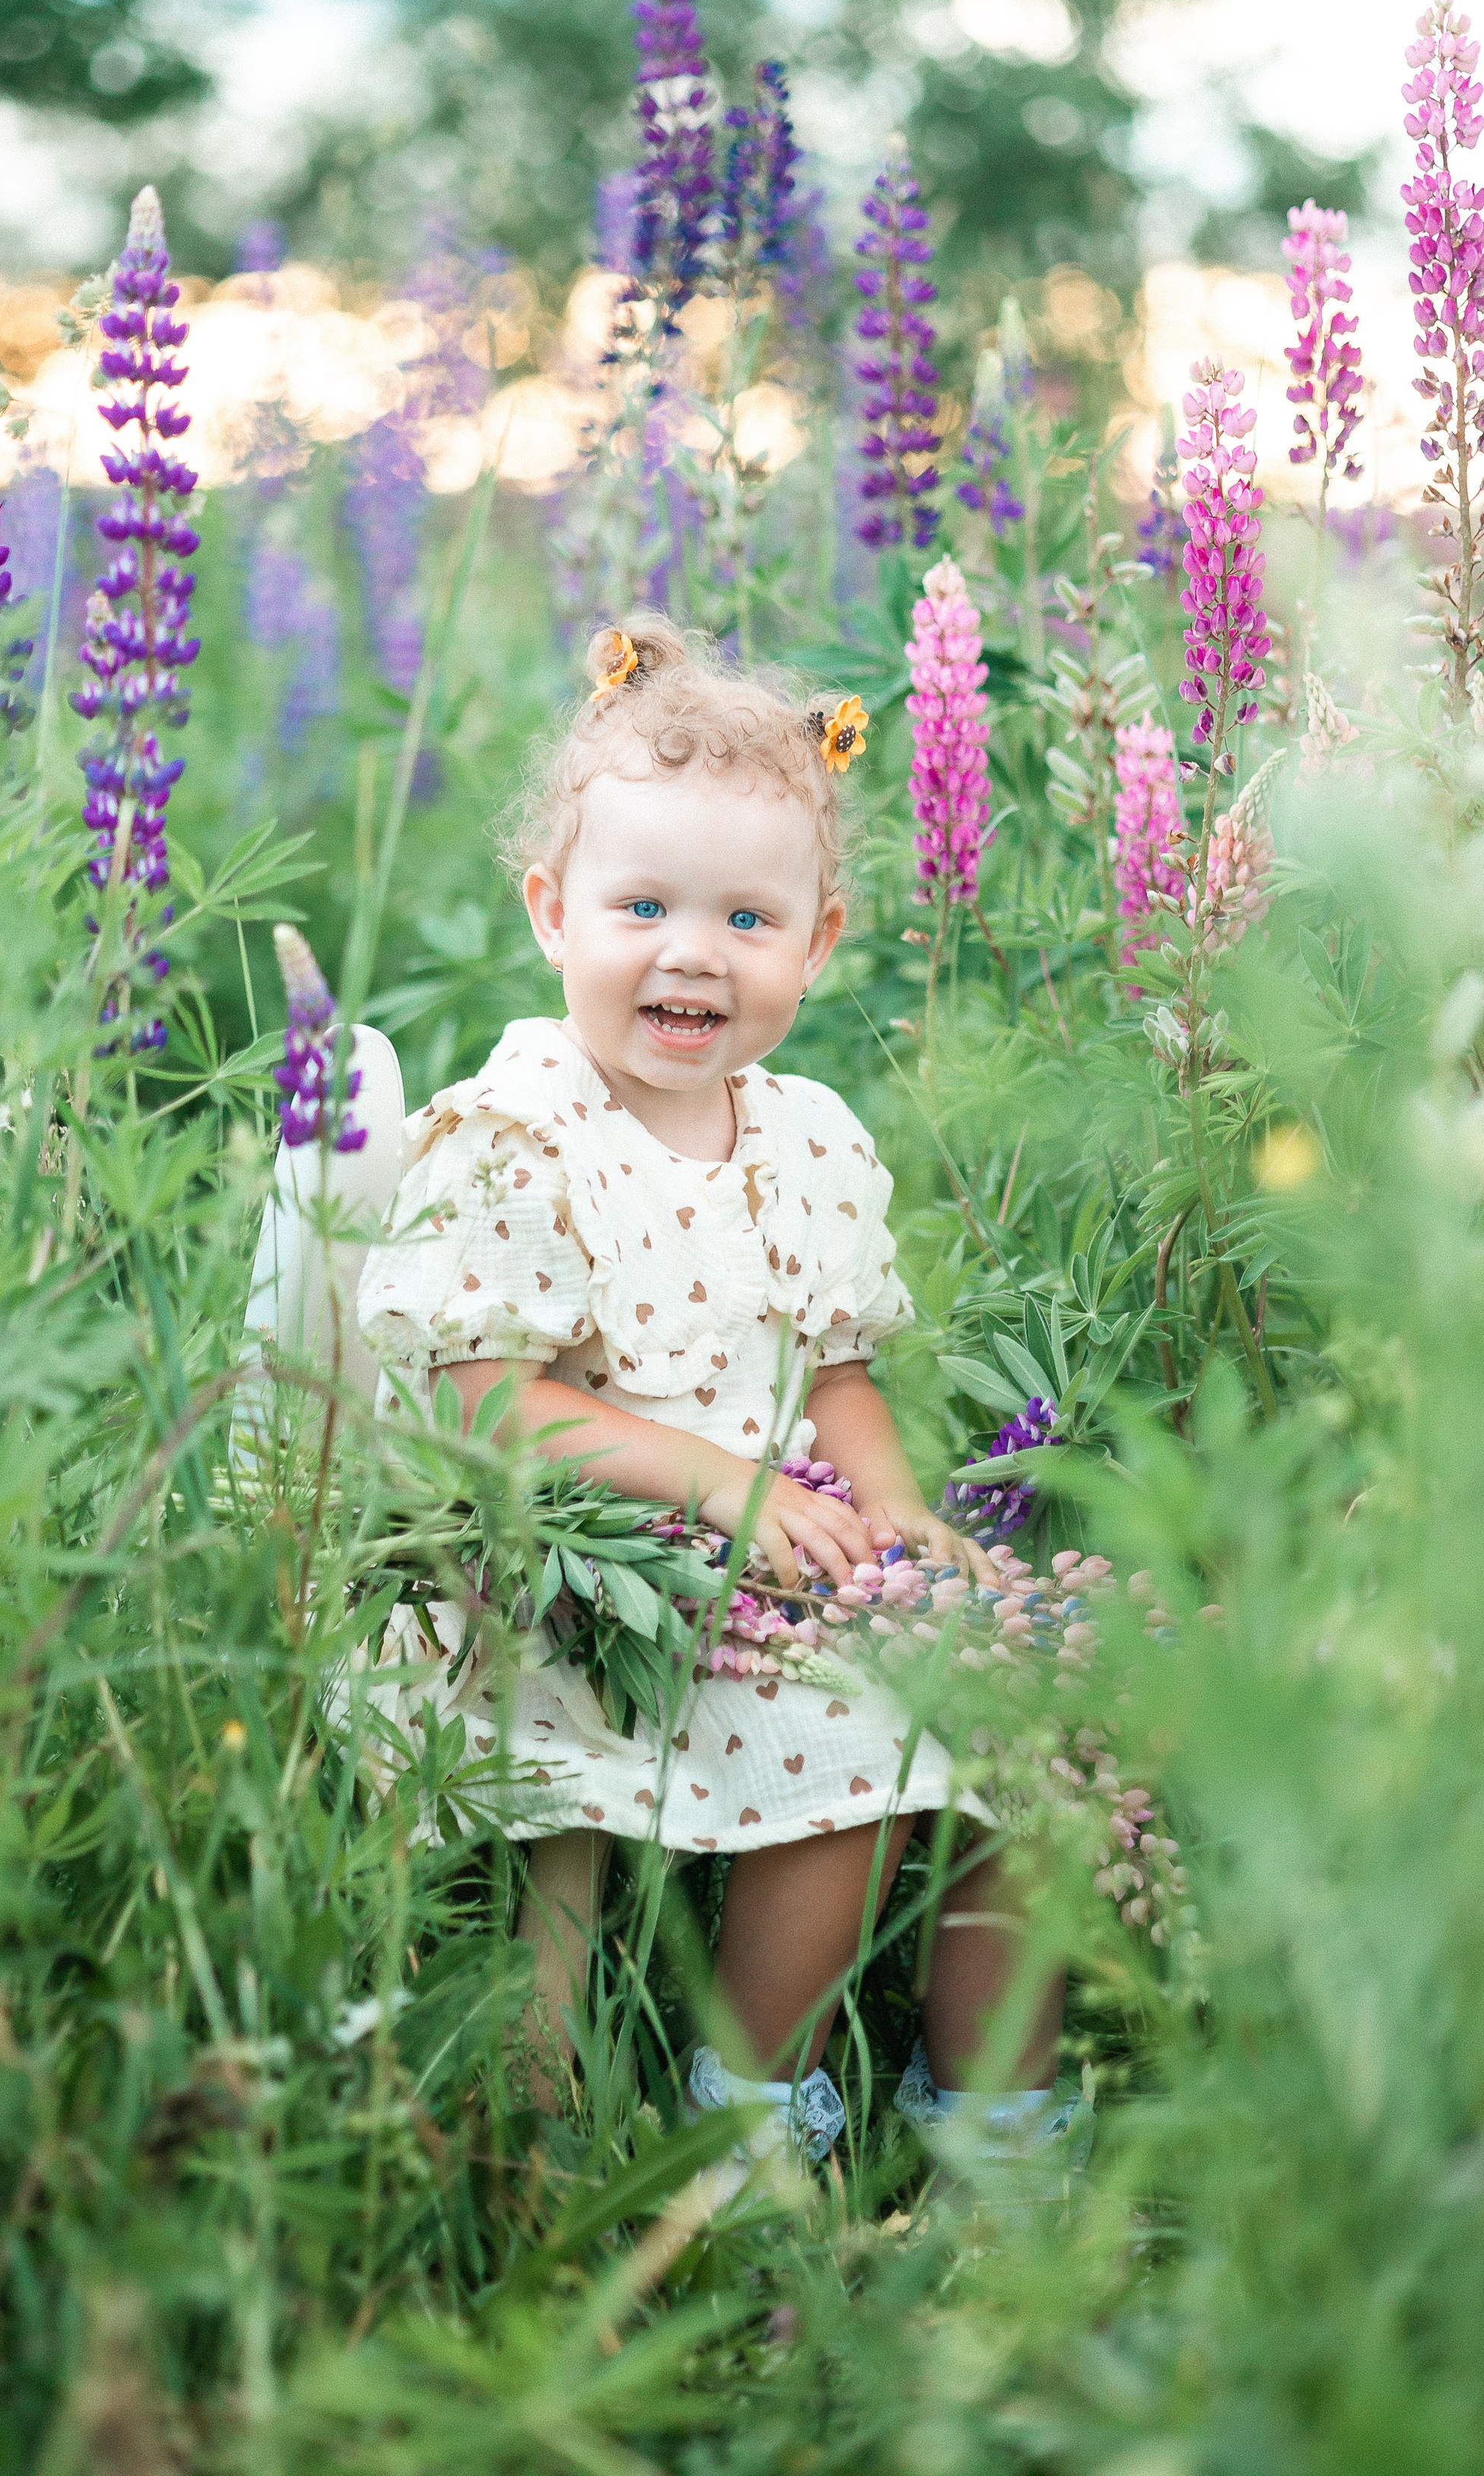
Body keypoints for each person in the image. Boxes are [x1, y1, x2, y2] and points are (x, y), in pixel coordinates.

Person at [356, 614, 1079, 2171]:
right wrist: (723, 1490)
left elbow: (832, 1369)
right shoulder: (517, 1131)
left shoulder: (802, 1135)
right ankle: (747, 2121)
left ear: (816, 946)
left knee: (1032, 1714)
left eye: (748, 917)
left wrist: (888, 1515)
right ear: (551, 912)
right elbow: (487, 1405)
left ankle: (995, 2136)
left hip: (772, 1540)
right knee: (850, 1743)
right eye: (642, 906)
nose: (691, 951)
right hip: (587, 1564)